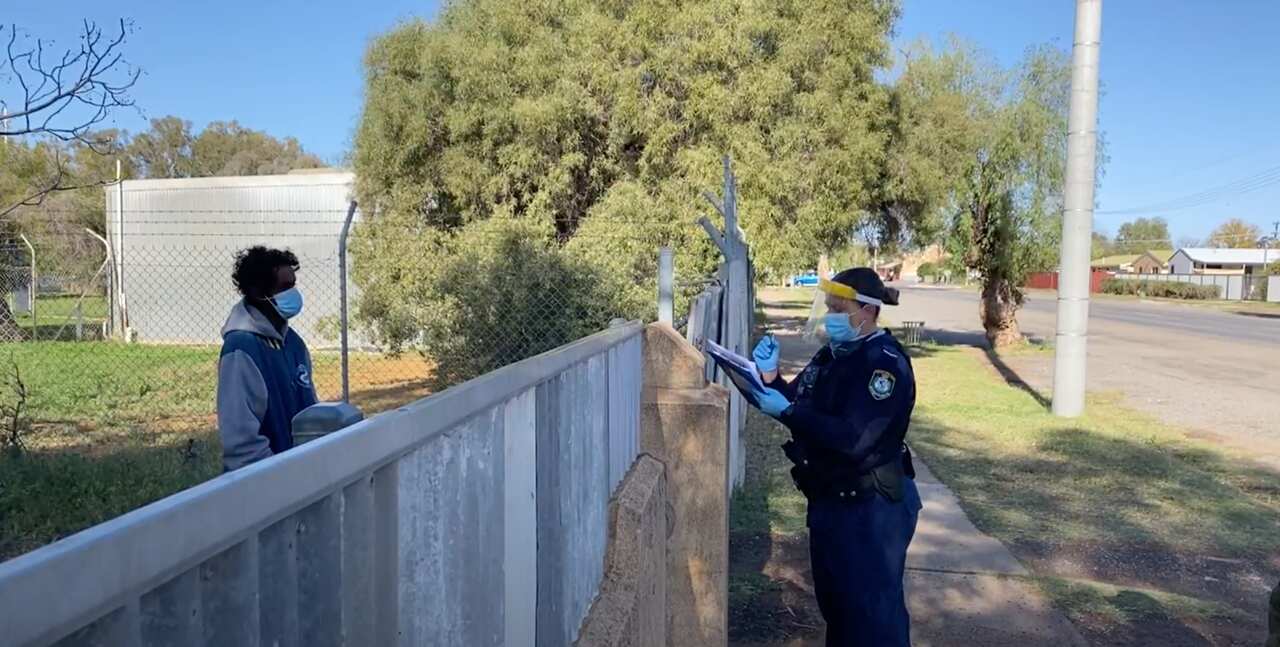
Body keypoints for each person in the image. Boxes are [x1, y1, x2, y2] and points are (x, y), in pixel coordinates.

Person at [748, 267, 922, 647]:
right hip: (831, 502)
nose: (830, 317)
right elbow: (798, 402)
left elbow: (855, 438)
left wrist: (789, 412)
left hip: (871, 511)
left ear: (867, 311)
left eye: (838, 309)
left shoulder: (884, 364)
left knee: (873, 621)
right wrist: (771, 377)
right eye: (828, 307)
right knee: (839, 611)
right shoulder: (833, 353)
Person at [217, 246, 317, 472]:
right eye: (284, 288)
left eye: (293, 286)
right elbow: (241, 442)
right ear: (257, 292)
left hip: (301, 474)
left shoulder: (294, 343)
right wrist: (278, 477)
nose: (293, 294)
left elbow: (311, 409)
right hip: (266, 481)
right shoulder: (240, 351)